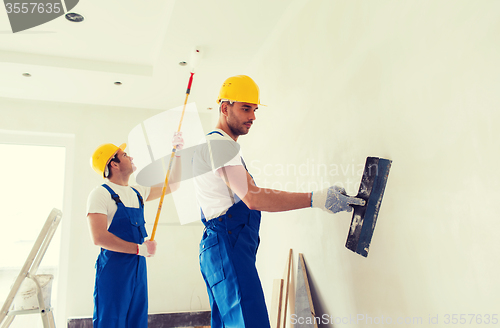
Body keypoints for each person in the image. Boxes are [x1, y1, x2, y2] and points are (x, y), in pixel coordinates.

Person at [193, 75, 365, 328]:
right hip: (226, 242)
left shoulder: (218, 146)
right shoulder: (218, 144)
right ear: (224, 107)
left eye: (254, 109)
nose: (252, 116)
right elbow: (254, 198)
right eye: (245, 108)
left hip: (220, 245)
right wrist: (315, 198)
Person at [87, 133, 183, 328]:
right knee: (111, 322)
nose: (130, 157)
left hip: (138, 268)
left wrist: (178, 153)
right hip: (114, 270)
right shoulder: (100, 194)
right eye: (124, 155)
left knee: (137, 321)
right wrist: (139, 249)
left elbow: (172, 185)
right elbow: (98, 237)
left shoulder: (137, 192)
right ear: (113, 164)